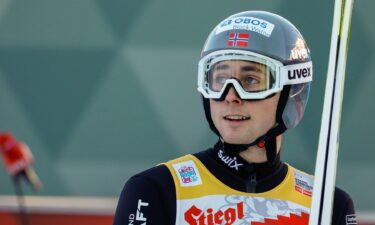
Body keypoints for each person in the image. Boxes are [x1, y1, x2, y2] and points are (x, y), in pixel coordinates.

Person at [113, 11, 356, 225]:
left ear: (290, 93)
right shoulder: (157, 190)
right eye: (219, 80)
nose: (230, 96)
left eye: (250, 81)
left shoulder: (328, 206)